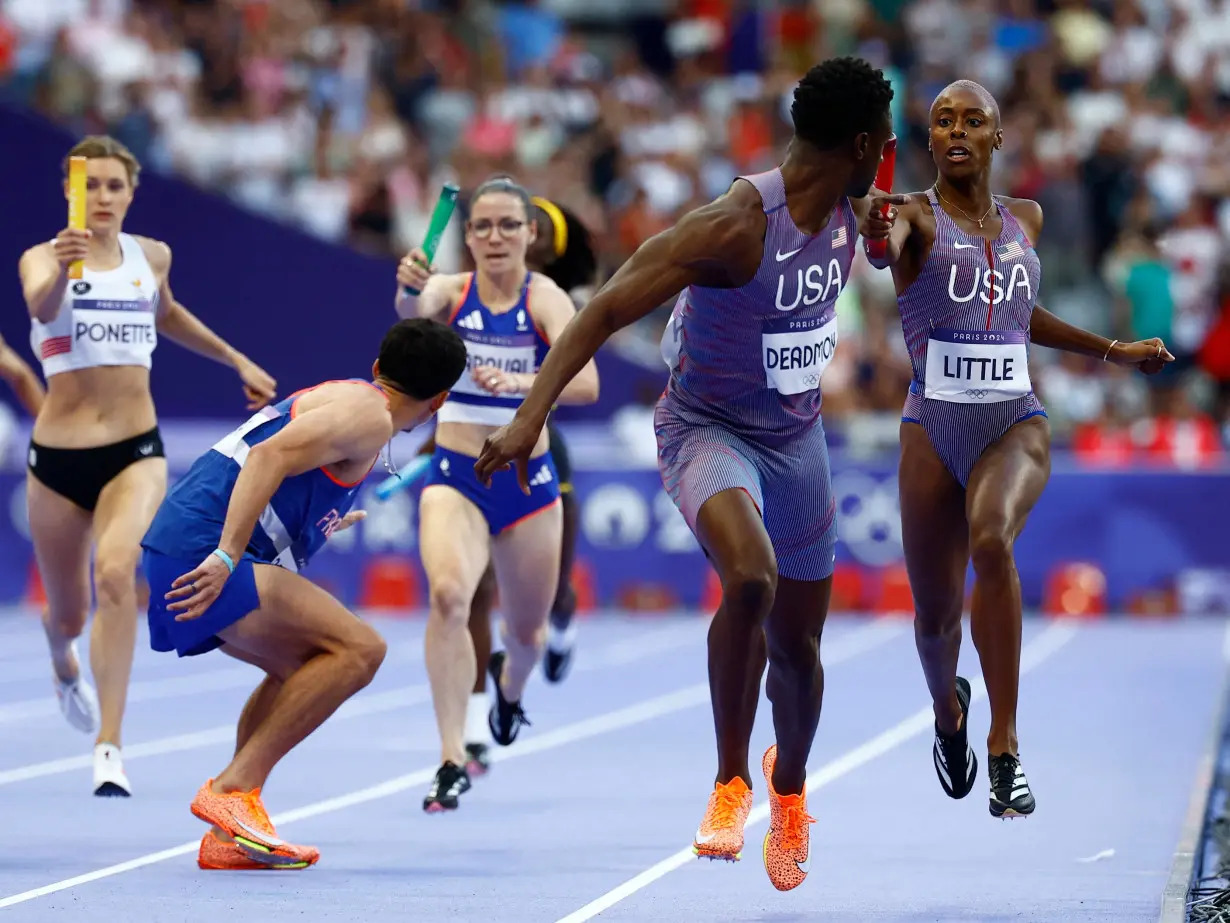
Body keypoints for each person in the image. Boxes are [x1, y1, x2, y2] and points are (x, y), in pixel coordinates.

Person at [476, 57, 896, 891]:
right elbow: (604, 306)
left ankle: (789, 785)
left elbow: (935, 221)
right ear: (861, 143)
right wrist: (530, 417)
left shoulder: (858, 206)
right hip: (706, 426)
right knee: (751, 579)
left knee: (801, 649)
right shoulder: (736, 225)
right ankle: (730, 779)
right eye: (886, 141)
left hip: (798, 436)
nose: (891, 152)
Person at [859, 79, 1174, 819]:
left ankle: (1004, 743)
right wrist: (875, 228)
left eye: (974, 119)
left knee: (992, 539)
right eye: (944, 121)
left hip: (1015, 422)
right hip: (931, 429)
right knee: (935, 622)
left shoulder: (1024, 219)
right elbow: (881, 249)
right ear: (930, 140)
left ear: (999, 138)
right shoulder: (913, 216)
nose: (958, 130)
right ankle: (950, 715)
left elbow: (1026, 316)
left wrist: (1111, 349)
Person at [140, 317, 467, 870]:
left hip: (185, 540)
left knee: (307, 665)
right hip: (202, 546)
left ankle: (232, 828)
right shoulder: (368, 414)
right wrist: (225, 553)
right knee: (362, 651)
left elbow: (269, 459)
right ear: (439, 401)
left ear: (378, 368)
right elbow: (267, 457)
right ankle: (232, 789)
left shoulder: (352, 401)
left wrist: (317, 520)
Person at [17, 135, 277, 797]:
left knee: (115, 574)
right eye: (91, 185)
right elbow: (40, 307)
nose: (102, 197)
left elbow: (168, 314)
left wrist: (238, 359)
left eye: (114, 186)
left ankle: (110, 743)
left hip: (134, 450)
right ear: (71, 193)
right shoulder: (41, 260)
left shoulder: (151, 256)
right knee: (69, 613)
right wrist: (63, 269)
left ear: (131, 194)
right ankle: (60, 653)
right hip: (56, 460)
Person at [394, 176, 600, 812]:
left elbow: (587, 383)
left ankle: (510, 693)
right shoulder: (450, 292)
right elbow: (410, 308)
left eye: (508, 225)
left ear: (529, 233)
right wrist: (407, 285)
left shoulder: (547, 299)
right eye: (481, 227)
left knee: (528, 631)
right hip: (456, 478)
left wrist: (520, 383)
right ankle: (452, 756)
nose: (494, 237)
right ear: (468, 236)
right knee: (451, 596)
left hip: (528, 485)